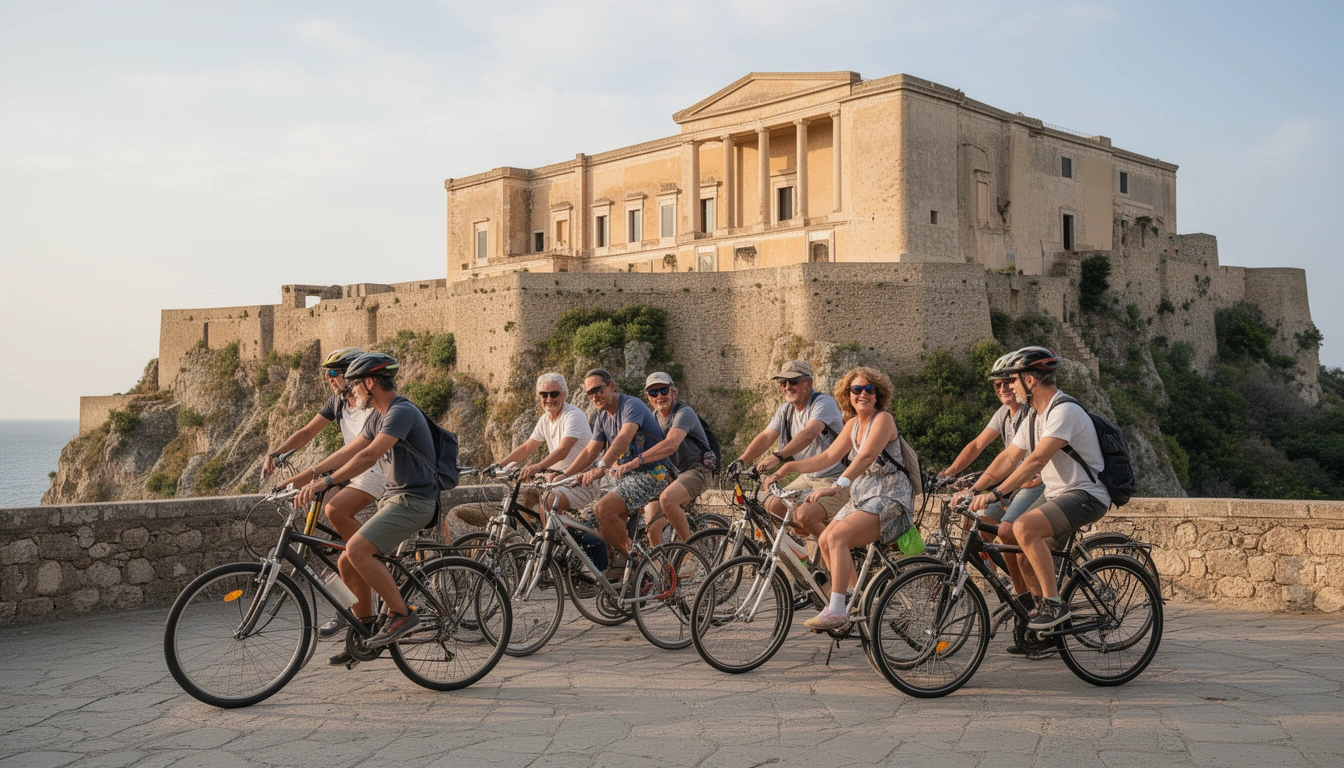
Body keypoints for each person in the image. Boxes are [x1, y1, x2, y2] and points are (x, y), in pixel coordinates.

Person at [282, 352, 442, 660]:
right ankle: (366, 633)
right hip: (395, 499)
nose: (350, 390)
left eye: (354, 384)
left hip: (415, 501)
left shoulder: (400, 412)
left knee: (355, 550)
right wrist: (304, 479)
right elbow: (347, 454)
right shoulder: (378, 416)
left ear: (370, 383)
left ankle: (401, 613)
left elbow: (368, 458)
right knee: (345, 560)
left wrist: (326, 484)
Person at [961, 347, 1111, 631]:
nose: (1010, 387)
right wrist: (974, 490)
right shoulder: (1033, 417)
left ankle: (1054, 604)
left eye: (1014, 380)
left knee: (1023, 528)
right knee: (1021, 552)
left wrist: (995, 494)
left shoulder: (1064, 410)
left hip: (1085, 495)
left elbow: (1037, 459)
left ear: (1029, 381)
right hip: (1059, 496)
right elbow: (1008, 458)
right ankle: (1044, 624)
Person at [766, 367, 914, 630]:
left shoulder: (883, 420)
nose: (863, 394)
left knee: (836, 537)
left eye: (869, 389)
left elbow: (867, 456)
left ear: (878, 395)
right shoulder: (852, 425)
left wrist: (836, 486)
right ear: (848, 395)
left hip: (890, 496)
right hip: (863, 496)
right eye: (856, 390)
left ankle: (836, 609)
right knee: (824, 538)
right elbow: (826, 457)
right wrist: (788, 466)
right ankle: (858, 601)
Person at [263, 347, 384, 638]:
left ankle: (374, 556)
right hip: (351, 473)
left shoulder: (370, 405)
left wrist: (308, 476)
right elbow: (307, 432)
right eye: (327, 374)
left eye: (335, 373)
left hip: (374, 471)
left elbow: (353, 452)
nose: (330, 379)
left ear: (351, 373)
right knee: (330, 546)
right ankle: (355, 610)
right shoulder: (338, 403)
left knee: (335, 511)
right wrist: (278, 452)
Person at [939, 353, 1045, 612]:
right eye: (997, 385)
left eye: (1008, 382)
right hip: (1010, 485)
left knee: (1007, 532)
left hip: (1032, 485)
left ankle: (1028, 595)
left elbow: (1031, 460)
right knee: (981, 524)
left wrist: (990, 489)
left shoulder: (1032, 413)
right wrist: (949, 472)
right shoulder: (1004, 414)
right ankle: (1015, 583)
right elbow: (978, 444)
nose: (1003, 388)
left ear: (1021, 382)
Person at [449, 373, 599, 530]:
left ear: (564, 394)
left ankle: (556, 545)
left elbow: (563, 450)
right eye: (544, 394)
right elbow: (527, 447)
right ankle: (538, 539)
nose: (549, 398)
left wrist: (537, 466)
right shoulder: (545, 420)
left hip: (581, 479)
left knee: (549, 500)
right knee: (523, 495)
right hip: (557, 478)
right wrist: (497, 466)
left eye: (554, 393)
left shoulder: (573, 415)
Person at [556, 368, 671, 558]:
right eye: (590, 393)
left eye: (598, 390)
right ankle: (614, 563)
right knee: (587, 519)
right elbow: (590, 450)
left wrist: (602, 466)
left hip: (651, 473)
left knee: (604, 510)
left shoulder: (631, 405)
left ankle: (634, 563)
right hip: (623, 476)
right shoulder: (602, 417)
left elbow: (623, 438)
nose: (594, 396)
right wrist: (565, 475)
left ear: (611, 386)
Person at [734, 360, 848, 538]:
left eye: (793, 381)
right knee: (772, 505)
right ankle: (800, 556)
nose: (787, 387)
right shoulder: (785, 410)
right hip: (808, 477)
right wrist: (741, 460)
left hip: (835, 478)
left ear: (808, 382)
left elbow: (809, 433)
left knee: (805, 516)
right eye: (783, 383)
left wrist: (778, 456)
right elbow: (766, 436)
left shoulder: (823, 403)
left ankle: (839, 551)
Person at [639, 371, 714, 546]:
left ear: (674, 392)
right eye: (653, 392)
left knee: (667, 500)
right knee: (652, 525)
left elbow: (671, 444)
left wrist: (638, 460)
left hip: (698, 470)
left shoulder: (684, 412)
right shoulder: (653, 418)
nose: (659, 396)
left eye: (664, 390)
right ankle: (661, 571)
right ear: (648, 397)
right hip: (674, 476)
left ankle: (691, 551)